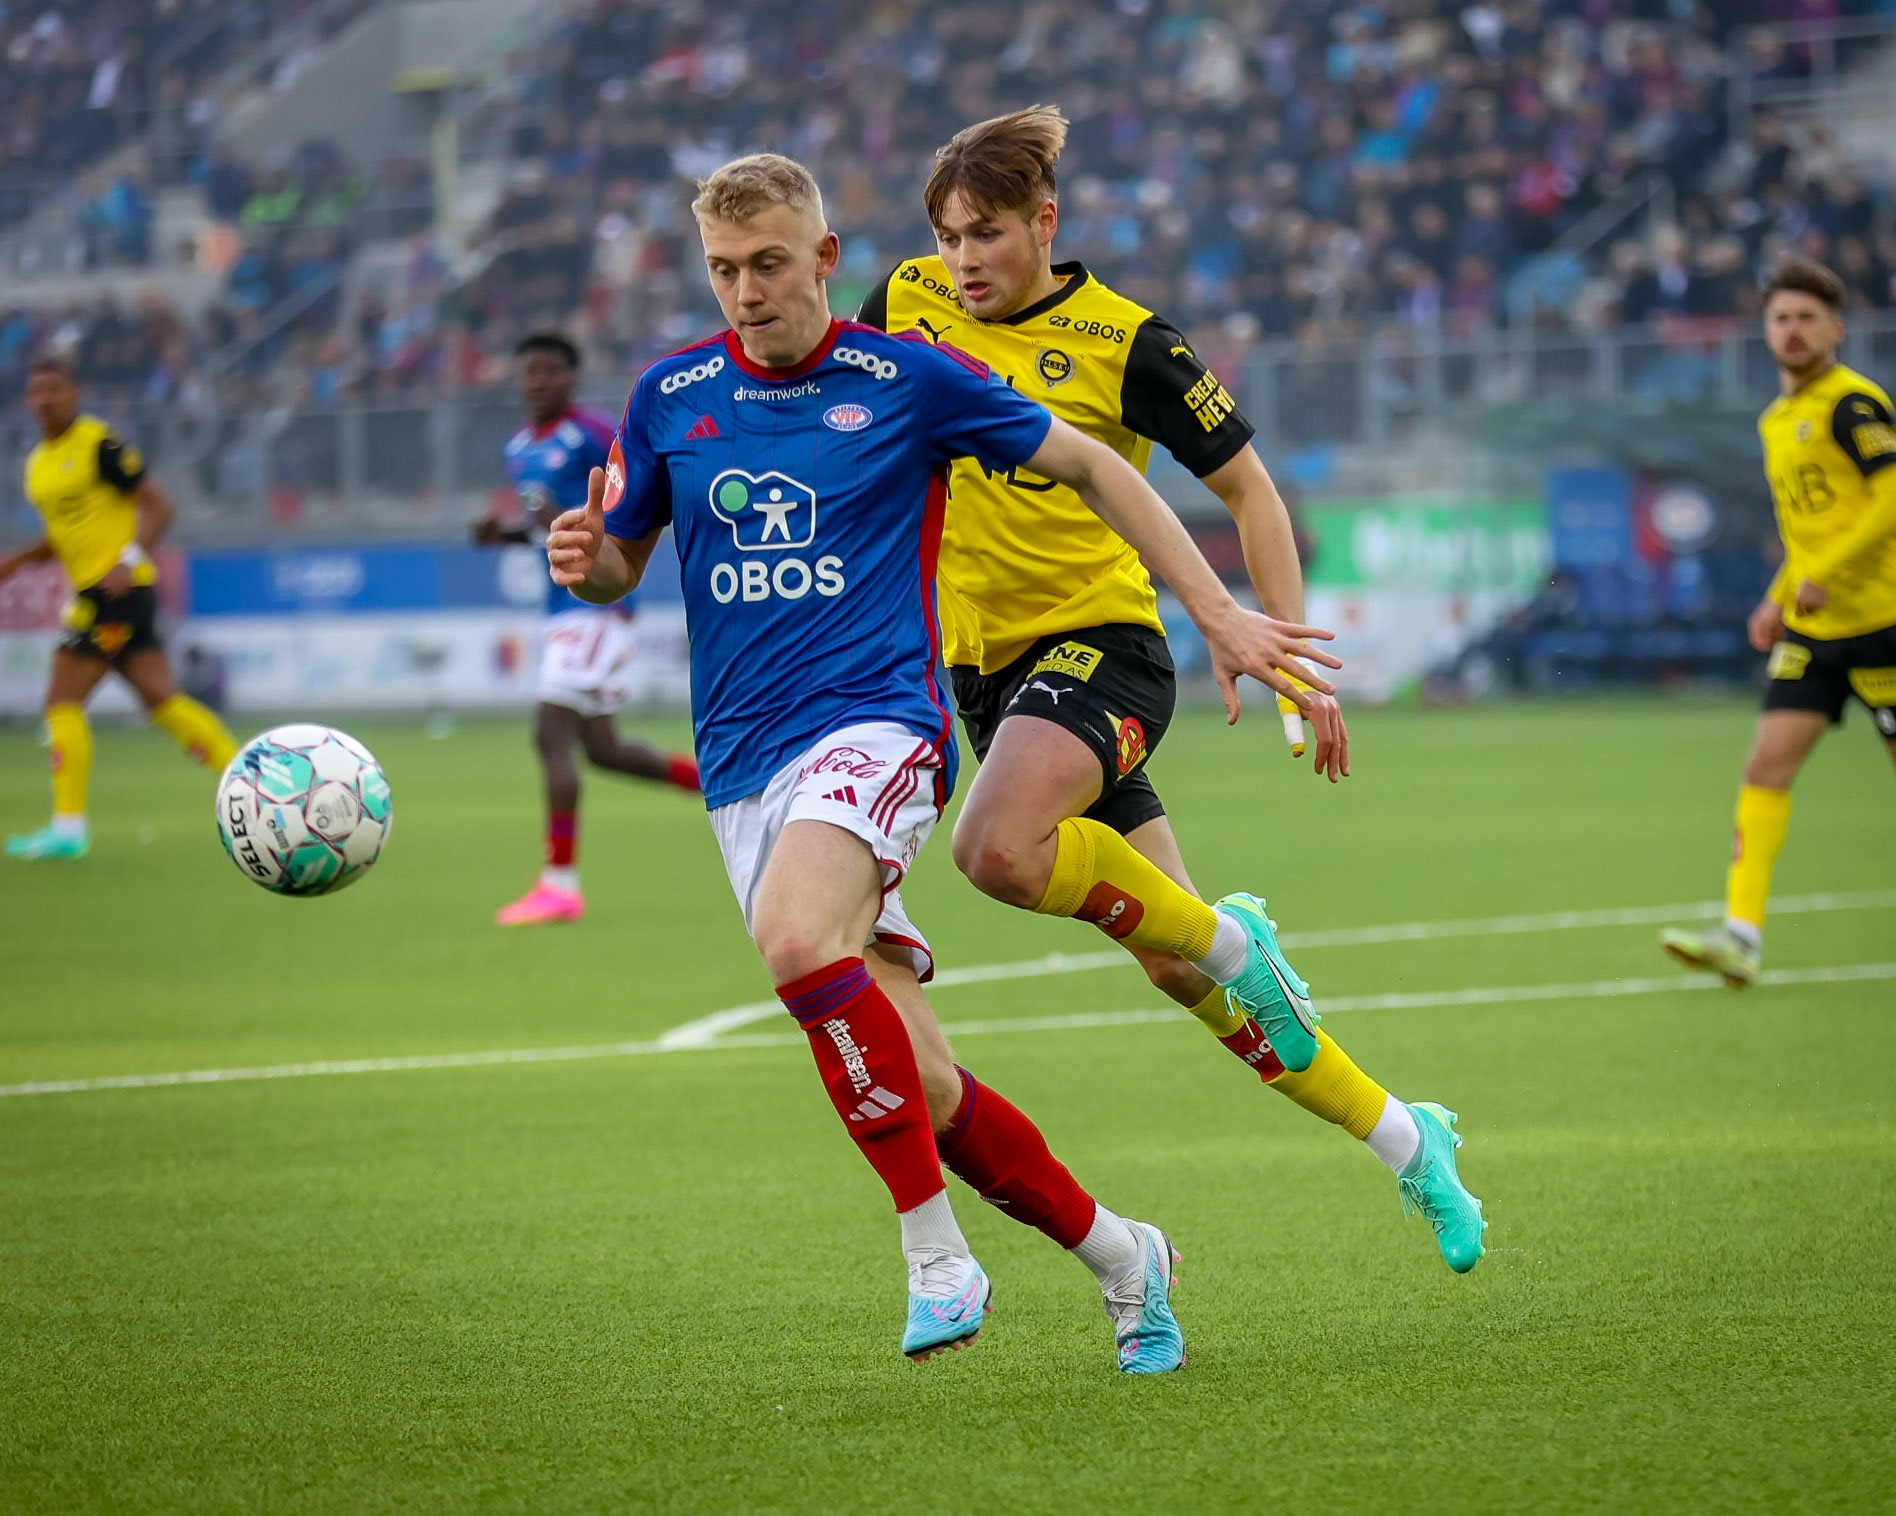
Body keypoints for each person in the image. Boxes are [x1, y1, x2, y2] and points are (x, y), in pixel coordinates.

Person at [548, 153, 1336, 1369]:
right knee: (927, 1083)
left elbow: (1099, 465)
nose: (745, 292)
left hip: (878, 725)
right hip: (744, 762)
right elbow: (619, 563)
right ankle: (1128, 1259)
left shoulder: (907, 377)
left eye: (767, 265)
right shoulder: (666, 395)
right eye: (721, 271)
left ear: (823, 261)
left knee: (798, 944)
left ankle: (935, 1253)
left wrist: (1220, 614)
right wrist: (584, 556)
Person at [858, 106, 1485, 1273]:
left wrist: (1285, 655)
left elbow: (1250, 493)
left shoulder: (1130, 342)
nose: (964, 260)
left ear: (1045, 221)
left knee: (994, 847)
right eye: (947, 236)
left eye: (987, 234)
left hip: (1102, 646)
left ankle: (1239, 935)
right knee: (1178, 968)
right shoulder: (906, 299)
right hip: (983, 674)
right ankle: (1409, 1139)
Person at [1662, 258, 1896, 985]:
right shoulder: (1775, 420)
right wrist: (1781, 590)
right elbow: (1808, 532)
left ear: (1836, 328)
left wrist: (1824, 574)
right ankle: (1741, 936)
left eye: (1806, 318)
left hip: (1884, 622)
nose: (1792, 331)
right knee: (1765, 764)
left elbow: (1890, 499)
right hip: (1815, 632)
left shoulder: (1853, 405)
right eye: (1780, 319)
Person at [474, 332, 700, 926]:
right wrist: (506, 532)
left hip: (594, 607)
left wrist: (554, 520)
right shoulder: (520, 446)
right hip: (560, 610)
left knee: (550, 732)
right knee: (603, 750)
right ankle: (716, 782)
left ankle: (559, 884)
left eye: (551, 371)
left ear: (570, 379)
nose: (539, 381)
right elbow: (543, 529)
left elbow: (626, 505)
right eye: (530, 372)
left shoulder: (595, 434)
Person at [1, 357, 237, 860]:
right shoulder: (39, 464)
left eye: (53, 390)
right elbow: (66, 535)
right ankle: (249, 782)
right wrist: (23, 559)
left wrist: (129, 559)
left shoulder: (98, 443)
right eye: (35, 392)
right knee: (160, 698)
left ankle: (68, 829)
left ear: (74, 392)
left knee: (61, 700)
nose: (43, 400)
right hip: (111, 595)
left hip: (114, 595)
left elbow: (159, 505)